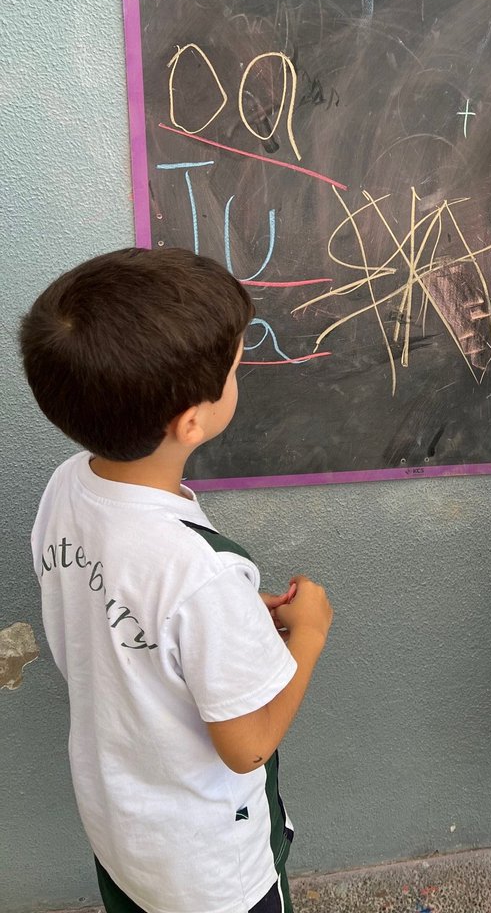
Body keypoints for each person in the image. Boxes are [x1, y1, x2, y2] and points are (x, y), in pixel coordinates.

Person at [21, 247, 333, 913]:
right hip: (215, 873)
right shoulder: (202, 574)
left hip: (122, 832)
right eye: (234, 367)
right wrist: (307, 636)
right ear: (191, 420)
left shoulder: (68, 485)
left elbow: (121, 602)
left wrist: (230, 623)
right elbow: (247, 749)